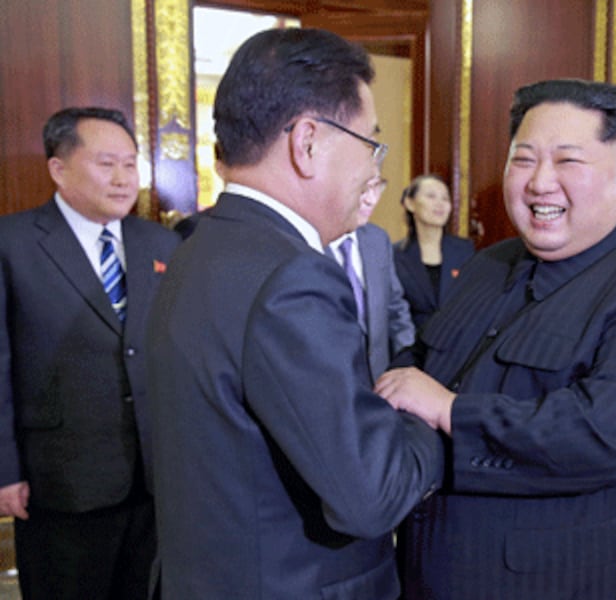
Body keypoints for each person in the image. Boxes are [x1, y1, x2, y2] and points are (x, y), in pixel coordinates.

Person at [376, 79, 616, 599]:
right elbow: (418, 364)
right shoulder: (489, 265)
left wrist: (449, 410)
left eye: (568, 162)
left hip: (554, 580)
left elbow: (604, 434)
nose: (540, 182)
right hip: (428, 569)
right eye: (524, 160)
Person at [145, 28, 443, 600]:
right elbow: (370, 495)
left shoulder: (198, 247)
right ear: (308, 142)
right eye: (369, 144)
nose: (372, 169)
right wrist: (424, 415)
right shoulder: (292, 276)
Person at [0, 107, 180, 600]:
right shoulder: (12, 243)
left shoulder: (161, 243)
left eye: (131, 163)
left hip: (153, 478)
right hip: (59, 480)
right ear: (59, 169)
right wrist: (4, 469)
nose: (124, 179)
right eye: (107, 164)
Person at [329, 175, 415, 382]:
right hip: (330, 381)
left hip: (378, 377)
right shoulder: (307, 241)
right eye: (363, 189)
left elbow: (395, 306)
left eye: (377, 187)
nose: (372, 199)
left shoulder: (377, 239)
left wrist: (408, 362)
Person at [393, 174, 474, 328]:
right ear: (410, 203)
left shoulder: (465, 250)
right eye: (431, 196)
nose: (440, 204)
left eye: (445, 198)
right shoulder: (394, 255)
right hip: (412, 344)